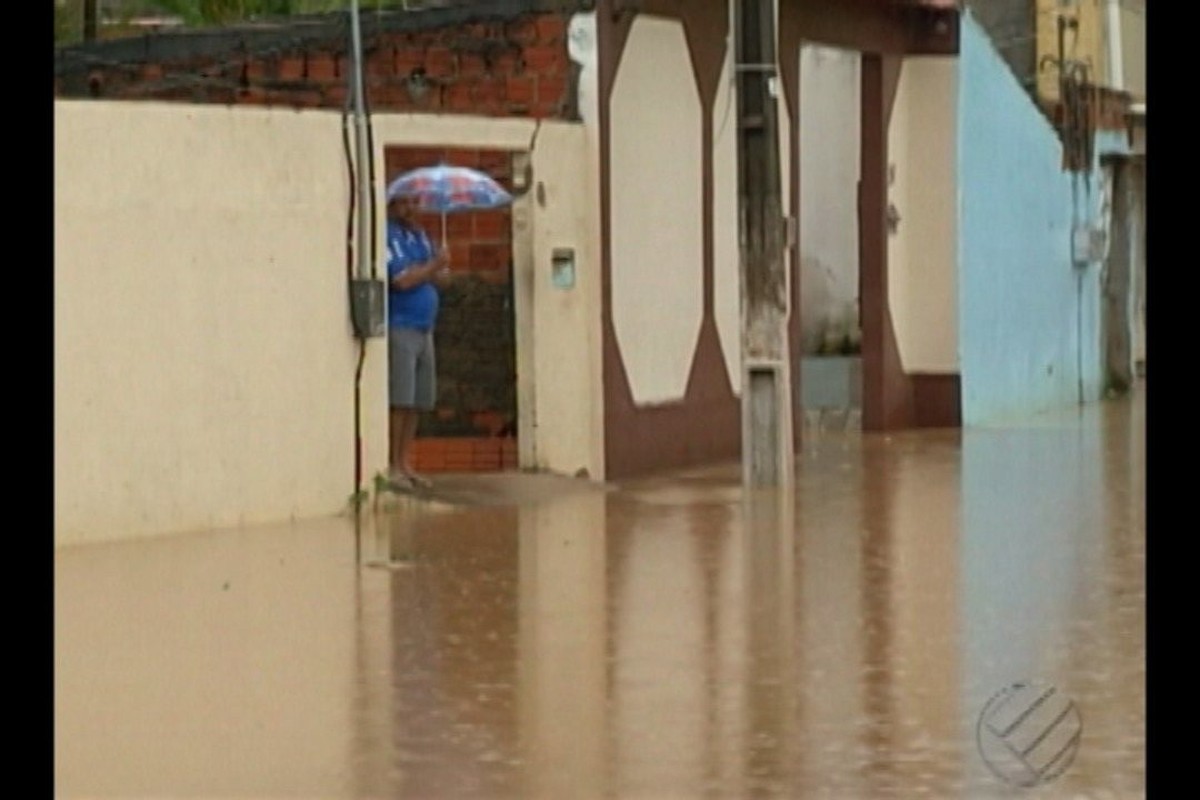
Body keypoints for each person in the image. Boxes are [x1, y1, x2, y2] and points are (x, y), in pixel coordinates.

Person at [385, 191, 452, 490]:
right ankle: (393, 465)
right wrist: (432, 267)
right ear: (393, 206)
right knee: (400, 398)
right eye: (405, 203)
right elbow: (402, 280)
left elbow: (440, 279)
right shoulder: (389, 236)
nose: (411, 208)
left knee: (417, 401)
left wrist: (442, 267)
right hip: (401, 326)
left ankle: (406, 461)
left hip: (426, 328)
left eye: (415, 202)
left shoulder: (422, 236)